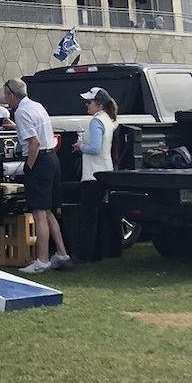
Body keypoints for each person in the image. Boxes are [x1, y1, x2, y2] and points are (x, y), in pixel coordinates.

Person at [4, 78, 71, 273]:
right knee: (48, 209)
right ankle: (61, 253)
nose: (6, 100)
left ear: (12, 95)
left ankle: (42, 260)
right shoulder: (36, 105)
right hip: (52, 158)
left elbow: (33, 142)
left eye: (6, 95)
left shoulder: (22, 111)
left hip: (39, 160)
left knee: (39, 211)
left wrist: (29, 166)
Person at [73, 86, 118, 262]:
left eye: (89, 102)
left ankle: (85, 254)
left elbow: (95, 148)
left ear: (99, 104)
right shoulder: (108, 119)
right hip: (105, 170)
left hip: (93, 174)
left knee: (88, 217)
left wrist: (80, 147)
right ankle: (99, 251)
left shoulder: (96, 121)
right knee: (100, 214)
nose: (87, 105)